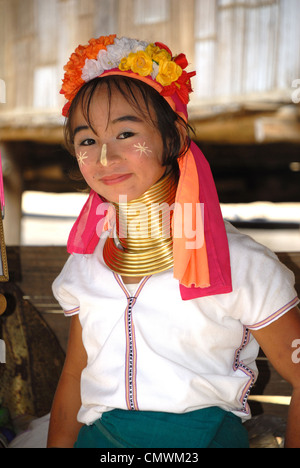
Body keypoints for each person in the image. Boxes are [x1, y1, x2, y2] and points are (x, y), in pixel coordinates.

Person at [47, 35, 300, 448]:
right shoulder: (86, 263)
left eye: (125, 133)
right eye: (87, 141)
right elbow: (75, 373)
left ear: (175, 137)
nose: (105, 157)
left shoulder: (240, 263)